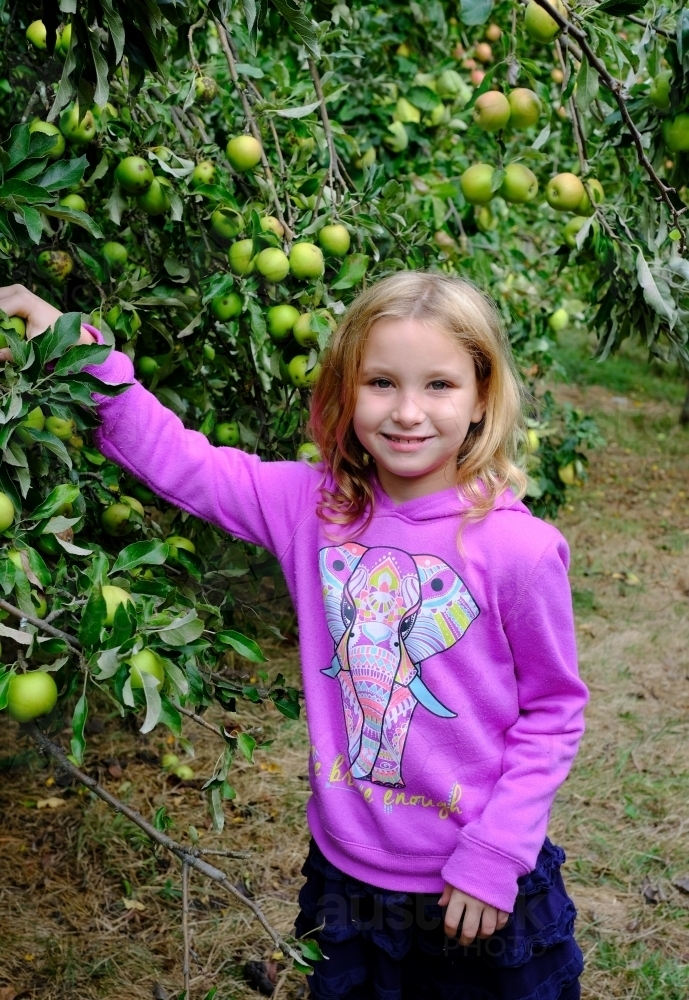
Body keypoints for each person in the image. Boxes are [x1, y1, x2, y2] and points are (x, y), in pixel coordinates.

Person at [0, 272, 588, 1000]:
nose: (407, 412)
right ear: (344, 393)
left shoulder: (517, 551)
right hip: (347, 875)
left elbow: (554, 712)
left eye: (438, 385)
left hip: (477, 880)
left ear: (481, 399)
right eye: (380, 383)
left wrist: (496, 852)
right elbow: (181, 459)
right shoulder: (312, 507)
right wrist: (72, 346)